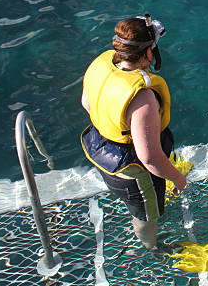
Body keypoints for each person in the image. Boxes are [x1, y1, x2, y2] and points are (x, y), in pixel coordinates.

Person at [80, 15, 187, 251]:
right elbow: (149, 157)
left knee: (136, 203)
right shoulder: (143, 98)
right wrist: (177, 178)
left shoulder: (101, 63)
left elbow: (86, 103)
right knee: (146, 215)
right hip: (132, 169)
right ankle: (152, 248)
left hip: (100, 148)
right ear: (148, 53)